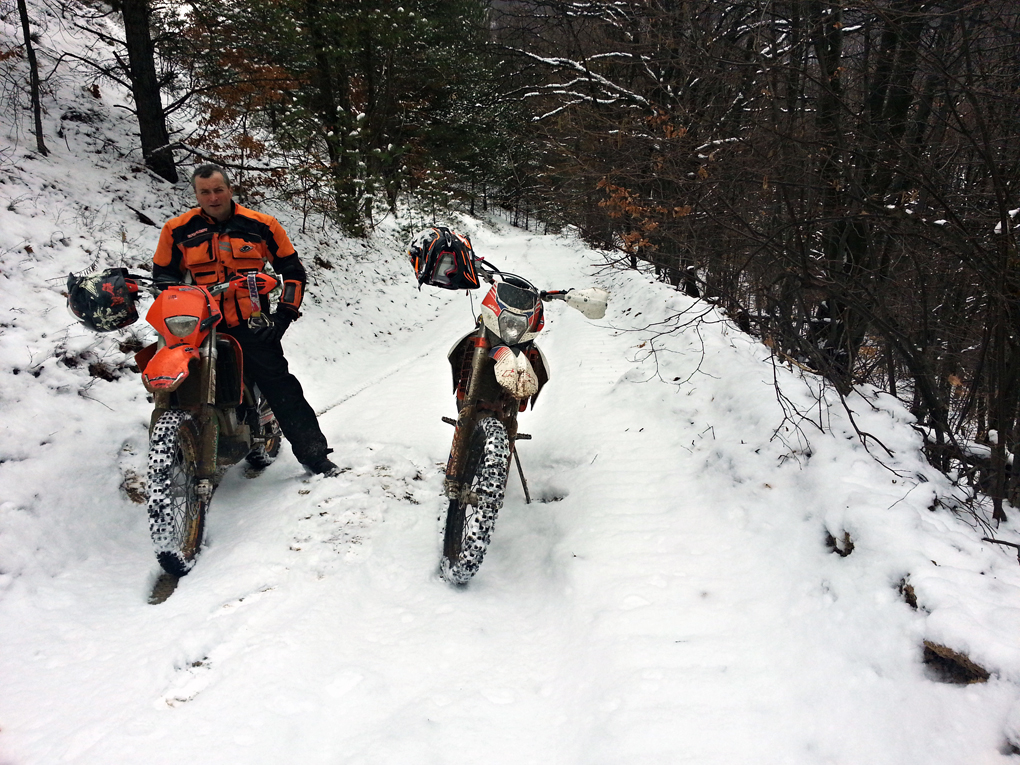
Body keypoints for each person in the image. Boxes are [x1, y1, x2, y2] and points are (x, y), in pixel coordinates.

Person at [152, 163, 339, 476]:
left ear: (229, 189)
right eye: (205, 192)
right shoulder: (177, 230)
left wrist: (284, 316)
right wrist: (171, 292)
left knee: (280, 386)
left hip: (251, 322)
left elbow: (292, 272)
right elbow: (163, 274)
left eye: (218, 189)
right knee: (185, 384)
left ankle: (315, 457)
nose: (212, 197)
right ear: (196, 194)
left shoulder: (261, 225)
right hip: (200, 324)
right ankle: (182, 444)